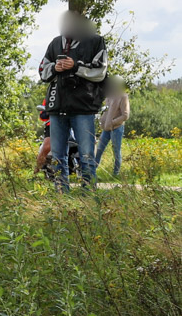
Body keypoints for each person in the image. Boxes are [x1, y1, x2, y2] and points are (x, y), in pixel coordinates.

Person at [37, 10, 106, 190]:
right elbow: (42, 70)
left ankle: (88, 195)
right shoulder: (55, 43)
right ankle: (61, 195)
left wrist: (75, 66)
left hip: (83, 108)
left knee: (86, 156)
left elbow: (100, 71)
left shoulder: (95, 41)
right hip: (57, 106)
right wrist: (56, 67)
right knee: (58, 156)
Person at [94, 77, 129, 178]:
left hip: (116, 128)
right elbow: (105, 111)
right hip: (106, 129)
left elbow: (125, 115)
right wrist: (102, 121)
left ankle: (116, 174)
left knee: (116, 151)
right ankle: (92, 172)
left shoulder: (123, 96)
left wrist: (113, 122)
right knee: (99, 149)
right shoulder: (108, 96)